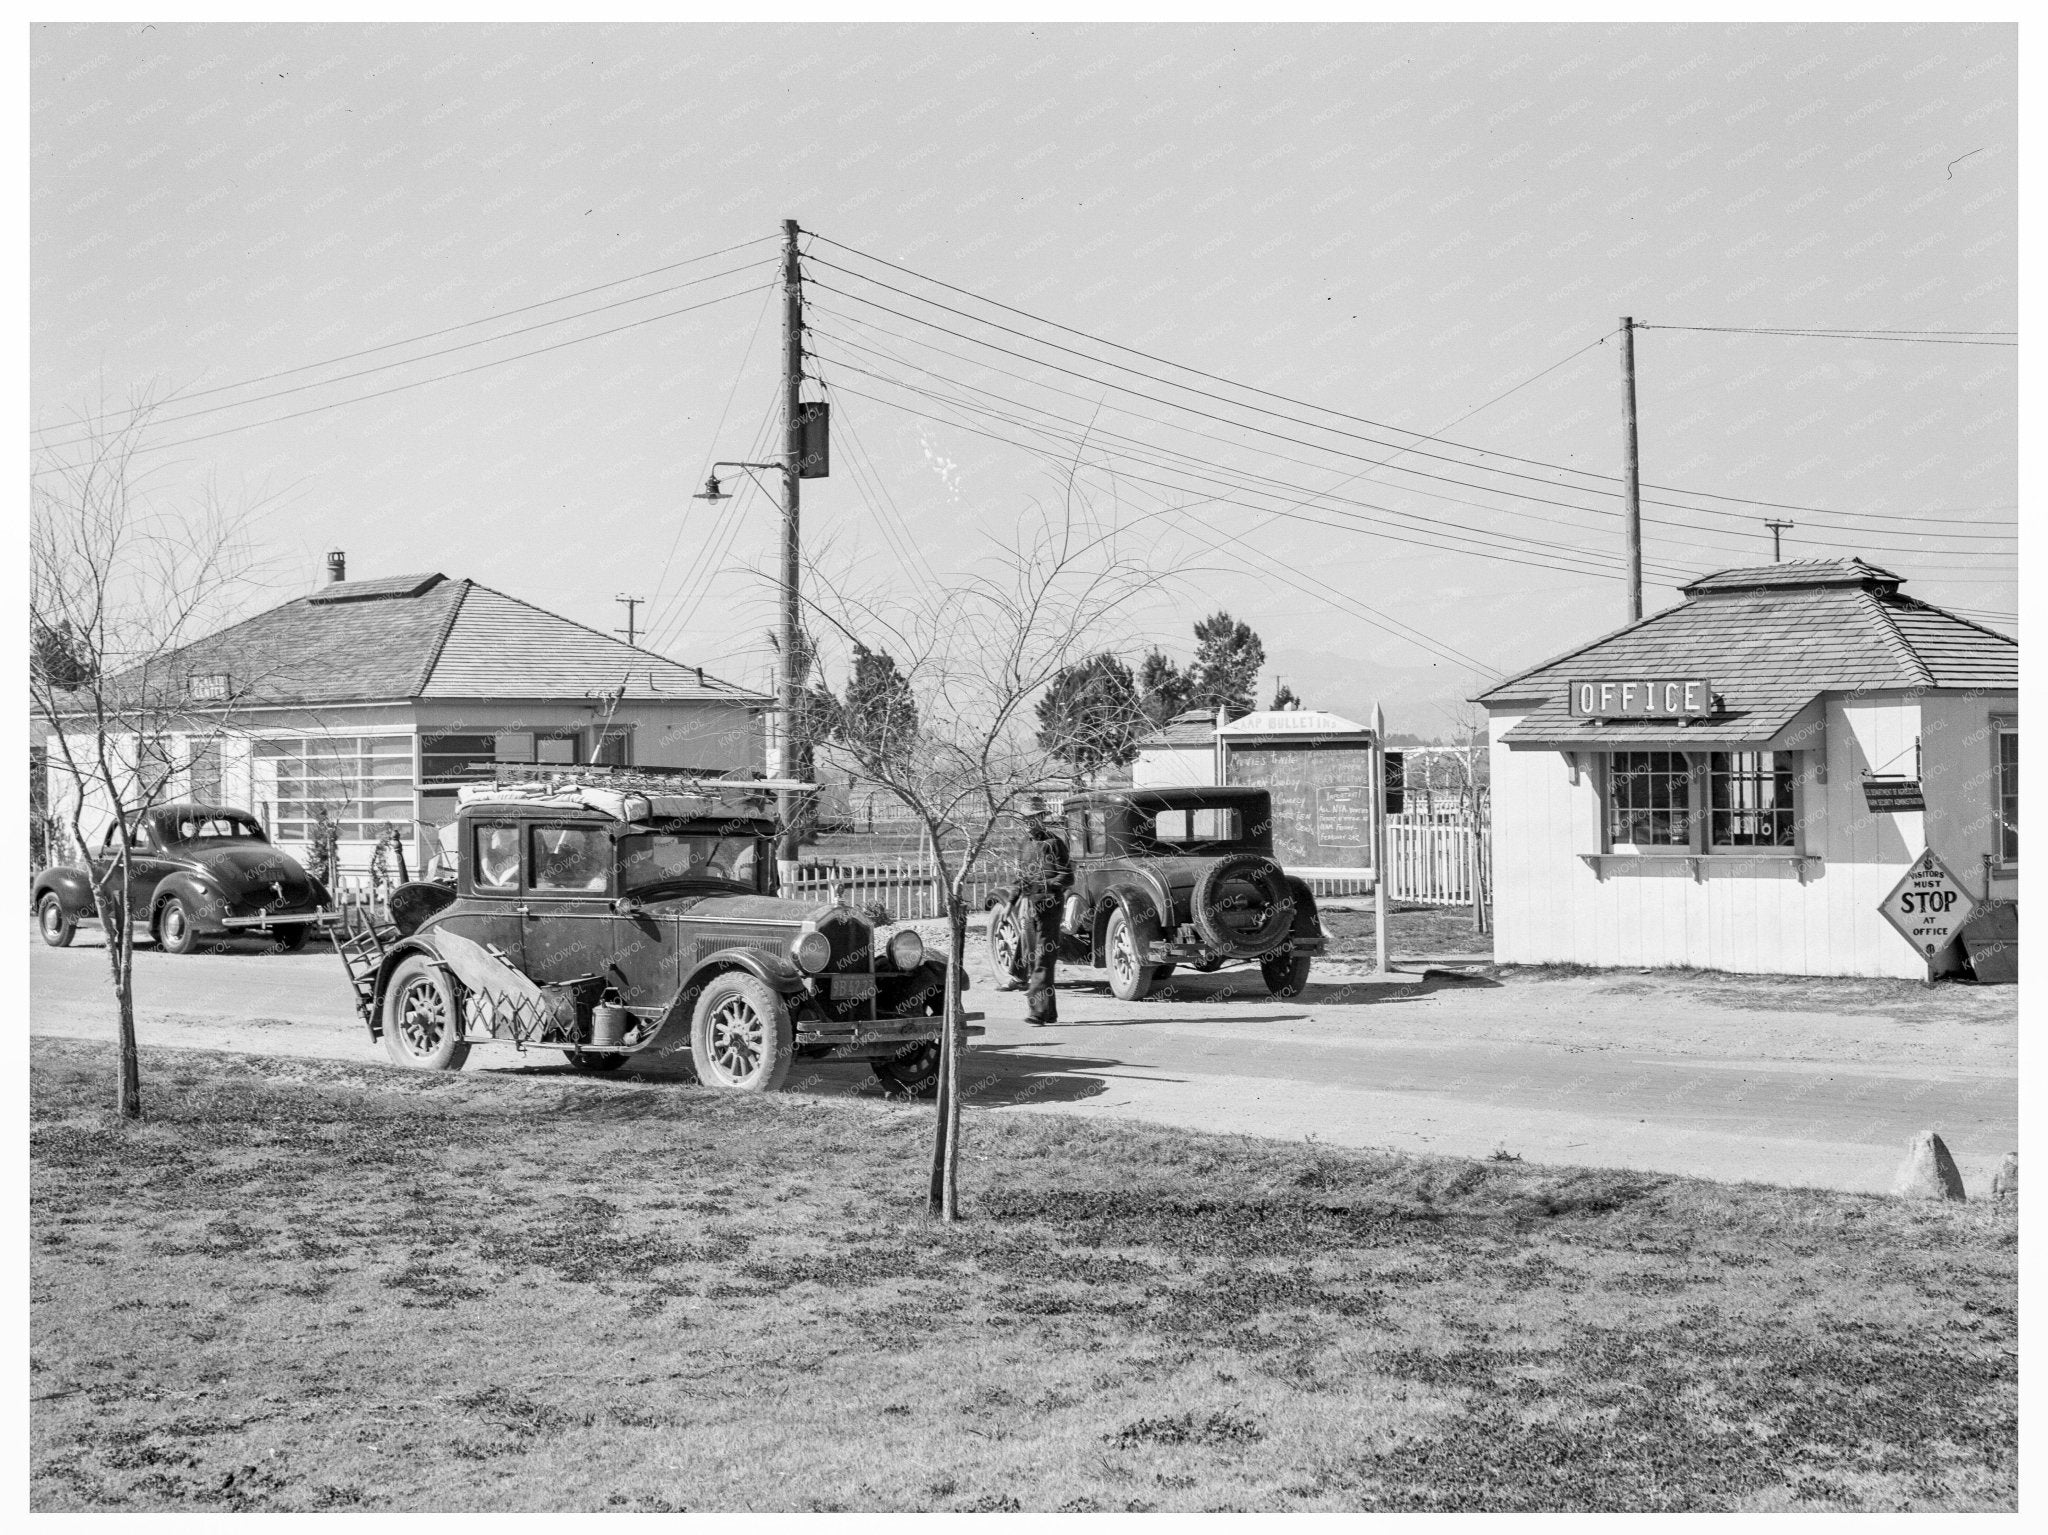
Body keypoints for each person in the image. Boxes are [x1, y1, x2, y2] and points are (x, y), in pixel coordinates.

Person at [1014, 794, 1072, 1026]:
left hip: (1050, 908)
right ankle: (1048, 1012)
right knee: (1033, 960)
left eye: (1033, 817)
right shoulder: (1023, 844)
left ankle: (1037, 1012)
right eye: (1025, 818)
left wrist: (1044, 886)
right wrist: (1012, 897)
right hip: (1029, 909)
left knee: (1043, 960)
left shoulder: (1055, 843)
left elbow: (1067, 877)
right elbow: (1019, 877)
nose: (1028, 822)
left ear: (1041, 817)